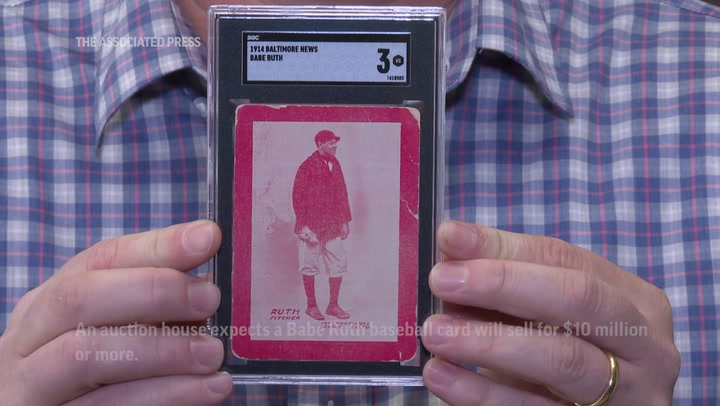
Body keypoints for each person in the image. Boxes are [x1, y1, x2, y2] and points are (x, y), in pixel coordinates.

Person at [1, 0, 716, 405]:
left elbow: (335, 192)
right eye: (325, 140)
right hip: (312, 228)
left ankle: (330, 309)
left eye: (331, 141)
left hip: (332, 226)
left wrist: (611, 381)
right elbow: (305, 193)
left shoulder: (700, 81)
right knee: (316, 273)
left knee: (334, 273)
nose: (330, 143)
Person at [292, 130, 352, 321]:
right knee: (309, 265)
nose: (335, 146)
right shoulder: (307, 166)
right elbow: (297, 197)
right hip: (312, 227)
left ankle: (333, 306)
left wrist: (344, 222)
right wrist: (303, 226)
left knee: (338, 265)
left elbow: (342, 194)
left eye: (335, 142)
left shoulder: (335, 163)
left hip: (333, 226)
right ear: (319, 144)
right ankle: (311, 306)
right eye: (331, 143)